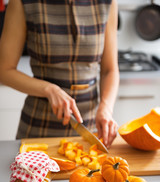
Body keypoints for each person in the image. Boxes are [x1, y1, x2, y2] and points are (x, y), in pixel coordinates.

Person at [0, 0, 119, 148]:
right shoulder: (22, 2)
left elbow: (110, 70)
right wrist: (50, 89)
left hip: (90, 127)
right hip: (38, 128)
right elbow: (4, 70)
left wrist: (106, 108)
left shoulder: (107, 2)